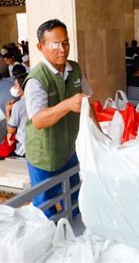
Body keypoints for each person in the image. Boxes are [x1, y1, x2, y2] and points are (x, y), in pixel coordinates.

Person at [24, 19, 93, 217]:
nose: (62, 49)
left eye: (65, 42)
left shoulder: (75, 69)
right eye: (55, 44)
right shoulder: (37, 79)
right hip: (44, 156)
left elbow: (87, 102)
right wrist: (67, 104)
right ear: (41, 47)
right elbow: (38, 120)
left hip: (68, 150)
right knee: (46, 210)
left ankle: (74, 240)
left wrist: (100, 135)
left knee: (74, 200)